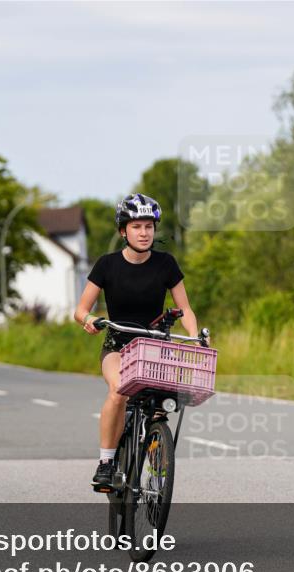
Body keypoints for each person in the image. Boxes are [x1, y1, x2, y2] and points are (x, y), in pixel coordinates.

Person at [73, 193, 204, 492]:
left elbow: (186, 309)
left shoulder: (166, 264)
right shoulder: (106, 266)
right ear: (123, 231)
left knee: (162, 406)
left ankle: (156, 458)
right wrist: (88, 320)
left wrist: (195, 338)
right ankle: (106, 463)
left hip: (156, 347)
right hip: (118, 346)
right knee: (119, 392)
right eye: (136, 227)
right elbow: (81, 309)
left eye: (149, 226)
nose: (144, 233)